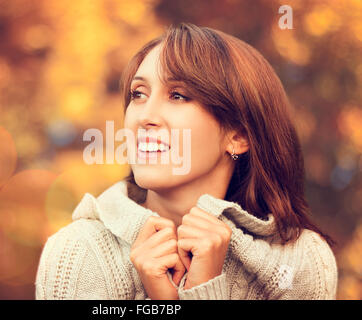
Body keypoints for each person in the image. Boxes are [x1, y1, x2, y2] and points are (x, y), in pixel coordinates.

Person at [35, 23, 338, 300]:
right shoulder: (78, 253)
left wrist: (202, 289)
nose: (145, 117)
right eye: (138, 94)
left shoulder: (300, 263)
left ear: (239, 136)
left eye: (178, 95)